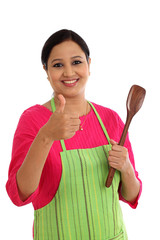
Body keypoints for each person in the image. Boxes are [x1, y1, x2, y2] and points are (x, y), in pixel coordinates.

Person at [6, 29, 142, 240]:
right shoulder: (33, 119)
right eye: (58, 65)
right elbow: (19, 194)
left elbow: (131, 195)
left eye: (77, 62)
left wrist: (126, 169)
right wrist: (46, 136)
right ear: (46, 70)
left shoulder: (111, 119)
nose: (69, 72)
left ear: (89, 64)